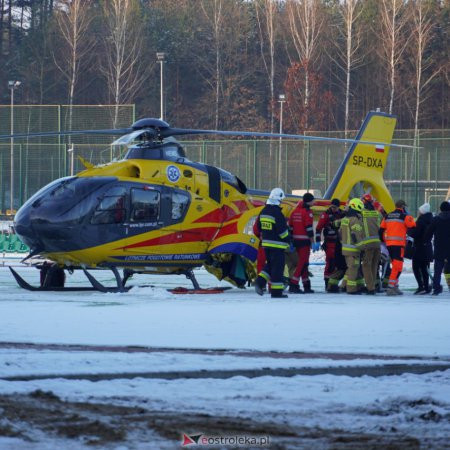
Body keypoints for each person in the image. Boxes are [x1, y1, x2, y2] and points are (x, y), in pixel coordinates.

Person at [254, 188, 291, 298]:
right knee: (278, 269)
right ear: (278, 199)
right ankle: (276, 293)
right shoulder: (277, 213)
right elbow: (282, 231)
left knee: (270, 266)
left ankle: (260, 282)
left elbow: (259, 227)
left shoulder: (264, 211)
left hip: (266, 245)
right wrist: (288, 238)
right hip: (277, 245)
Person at [380, 199, 416, 296]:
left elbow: (381, 230)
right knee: (398, 266)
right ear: (403, 207)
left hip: (389, 245)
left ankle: (395, 286)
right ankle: (391, 287)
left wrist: (384, 241)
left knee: (395, 265)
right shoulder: (404, 216)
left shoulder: (387, 216)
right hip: (399, 245)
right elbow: (413, 226)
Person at [288, 192, 318, 294]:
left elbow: (290, 227)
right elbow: (309, 228)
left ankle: (306, 286)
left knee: (303, 264)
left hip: (296, 241)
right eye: (313, 200)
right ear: (309, 201)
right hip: (304, 241)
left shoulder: (295, 211)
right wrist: (312, 241)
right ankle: (293, 284)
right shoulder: (307, 212)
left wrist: (292, 239)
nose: (314, 201)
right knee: (302, 263)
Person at [315, 198, 344, 290]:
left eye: (335, 207)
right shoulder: (326, 214)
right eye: (332, 207)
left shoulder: (342, 214)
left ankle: (335, 283)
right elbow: (318, 228)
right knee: (330, 262)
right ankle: (327, 283)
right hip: (329, 242)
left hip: (340, 243)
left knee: (339, 263)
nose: (333, 209)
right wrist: (317, 241)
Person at [424, 201, 450, 296]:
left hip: (439, 247)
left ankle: (436, 288)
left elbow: (429, 232)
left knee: (438, 270)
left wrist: (425, 241)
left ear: (440, 209)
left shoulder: (436, 219)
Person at [339, 198, 364, 294]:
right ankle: (351, 289)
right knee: (353, 269)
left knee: (350, 268)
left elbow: (340, 233)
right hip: (353, 249)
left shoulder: (345, 219)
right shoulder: (355, 220)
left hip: (345, 249)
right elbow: (356, 235)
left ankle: (343, 285)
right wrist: (362, 247)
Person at [359, 194, 382, 295]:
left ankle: (370, 288)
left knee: (366, 265)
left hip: (368, 244)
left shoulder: (361, 213)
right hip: (377, 244)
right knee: (374, 265)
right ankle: (372, 285)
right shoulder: (377, 214)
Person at [411, 202, 433, 294]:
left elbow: (415, 234)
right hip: (427, 247)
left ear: (422, 212)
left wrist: (409, 230)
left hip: (419, 247)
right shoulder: (431, 219)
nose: (418, 212)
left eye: (419, 211)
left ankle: (421, 286)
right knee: (425, 268)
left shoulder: (420, 221)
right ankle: (427, 286)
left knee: (416, 267)